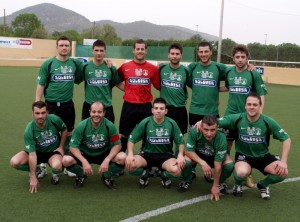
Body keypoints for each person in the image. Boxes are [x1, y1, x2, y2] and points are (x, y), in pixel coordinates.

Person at [216, 92, 291, 200]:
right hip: (244, 156)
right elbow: (215, 122)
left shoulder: (268, 121)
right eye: (249, 104)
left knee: (283, 173)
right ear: (245, 106)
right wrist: (201, 122)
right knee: (240, 173)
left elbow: (286, 139)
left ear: (260, 106)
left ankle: (263, 185)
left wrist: (283, 162)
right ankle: (238, 183)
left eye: (255, 105)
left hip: (263, 156)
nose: (251, 107)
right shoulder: (237, 118)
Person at [35, 35, 82, 177]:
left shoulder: (75, 64)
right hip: (50, 105)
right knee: (48, 134)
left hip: (68, 105)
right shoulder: (48, 64)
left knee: (67, 133)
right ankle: (42, 165)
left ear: (70, 47)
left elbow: (93, 65)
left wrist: (105, 60)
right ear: (57, 47)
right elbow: (41, 84)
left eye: (66, 45)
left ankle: (67, 165)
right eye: (61, 45)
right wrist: (38, 106)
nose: (64, 48)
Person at [222, 44, 268, 188]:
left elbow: (260, 93)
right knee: (227, 144)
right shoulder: (229, 72)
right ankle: (224, 170)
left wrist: (260, 112)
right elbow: (227, 87)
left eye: (243, 57)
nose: (240, 59)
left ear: (247, 58)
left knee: (246, 146)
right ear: (233, 58)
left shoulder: (253, 73)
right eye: (237, 57)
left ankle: (248, 174)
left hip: (247, 116)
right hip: (230, 115)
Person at [62, 101, 126, 189]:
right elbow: (73, 147)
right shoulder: (82, 126)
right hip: (85, 153)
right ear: (89, 112)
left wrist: (107, 159)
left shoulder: (110, 126)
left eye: (99, 112)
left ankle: (106, 176)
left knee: (123, 157)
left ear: (104, 113)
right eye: (94, 112)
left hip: (103, 153)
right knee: (66, 160)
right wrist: (84, 161)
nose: (96, 114)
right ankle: (81, 175)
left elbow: (117, 145)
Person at [125, 98, 186, 189]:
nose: (158, 111)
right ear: (152, 110)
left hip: (165, 156)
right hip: (146, 155)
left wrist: (180, 155)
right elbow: (131, 139)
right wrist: (130, 154)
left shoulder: (171, 123)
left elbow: (180, 142)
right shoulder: (145, 122)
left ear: (166, 111)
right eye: (156, 108)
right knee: (130, 165)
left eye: (161, 109)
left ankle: (163, 174)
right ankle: (145, 173)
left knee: (177, 170)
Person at [10, 101, 67, 193]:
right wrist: (33, 176)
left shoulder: (55, 119)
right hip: (36, 152)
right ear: (33, 114)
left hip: (52, 152)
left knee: (57, 166)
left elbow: (64, 130)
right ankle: (38, 170)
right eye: (37, 113)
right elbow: (32, 154)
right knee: (14, 162)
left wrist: (61, 146)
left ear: (47, 113)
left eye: (43, 113)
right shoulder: (29, 129)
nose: (40, 116)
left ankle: (55, 174)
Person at [117, 39, 160, 153]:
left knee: (147, 134)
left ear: (146, 51)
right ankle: (120, 162)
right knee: (125, 134)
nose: (140, 51)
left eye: (142, 49)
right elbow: (115, 80)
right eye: (138, 49)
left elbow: (159, 86)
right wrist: (127, 89)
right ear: (133, 50)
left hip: (145, 106)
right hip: (129, 106)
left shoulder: (153, 69)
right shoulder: (125, 66)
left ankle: (144, 157)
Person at [179, 115, 234, 201]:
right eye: (206, 130)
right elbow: (188, 151)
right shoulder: (195, 131)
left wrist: (215, 186)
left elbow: (218, 164)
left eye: (212, 130)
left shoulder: (221, 137)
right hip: (198, 154)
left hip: (214, 156)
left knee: (229, 165)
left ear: (217, 128)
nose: (209, 133)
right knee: (185, 161)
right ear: (201, 127)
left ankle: (219, 183)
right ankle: (186, 180)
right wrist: (202, 163)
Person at [79, 39, 123, 123]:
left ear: (105, 52)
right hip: (89, 106)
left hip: (106, 106)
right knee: (86, 132)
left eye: (101, 50)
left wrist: (134, 90)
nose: (99, 53)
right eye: (96, 50)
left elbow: (118, 84)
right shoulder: (85, 67)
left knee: (108, 132)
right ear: (92, 51)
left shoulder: (110, 68)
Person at [159, 43, 189, 135]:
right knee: (165, 136)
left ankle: (178, 150)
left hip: (180, 109)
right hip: (165, 108)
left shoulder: (185, 70)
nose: (174, 56)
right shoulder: (162, 68)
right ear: (168, 55)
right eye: (172, 54)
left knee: (179, 137)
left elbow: (193, 85)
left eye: (177, 54)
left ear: (181, 55)